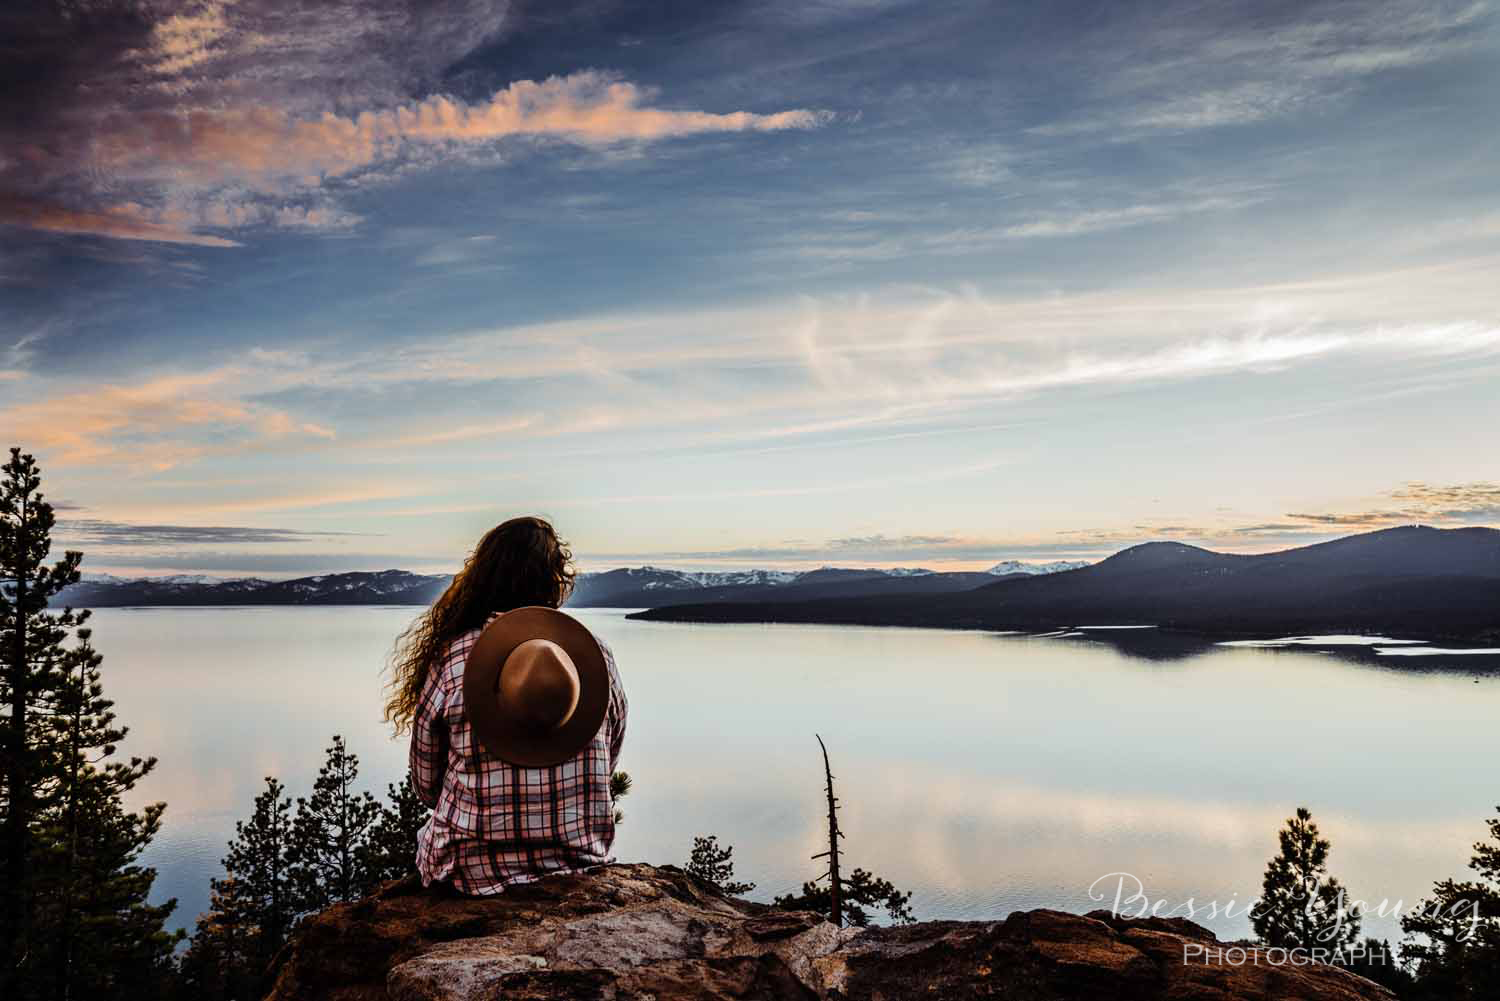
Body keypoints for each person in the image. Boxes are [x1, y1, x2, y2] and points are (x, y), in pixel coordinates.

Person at [385, 517, 627, 895]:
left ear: (483, 576)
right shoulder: (594, 657)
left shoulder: (454, 657)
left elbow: (427, 783)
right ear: (555, 580)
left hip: (471, 871)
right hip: (578, 865)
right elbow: (608, 758)